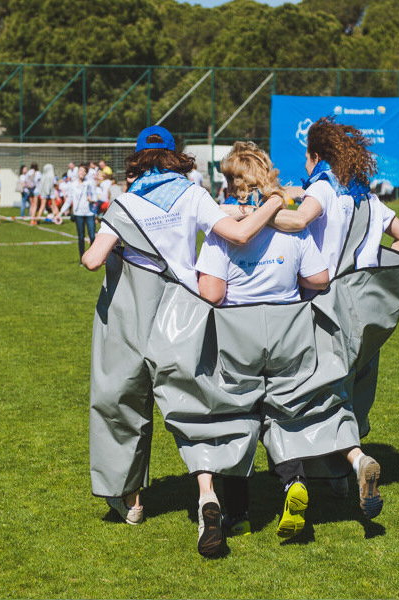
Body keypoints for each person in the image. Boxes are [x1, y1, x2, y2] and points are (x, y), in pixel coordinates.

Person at [81, 126, 284, 552]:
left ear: (137, 159)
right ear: (175, 156)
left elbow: (93, 259)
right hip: (184, 313)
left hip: (130, 318)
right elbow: (238, 234)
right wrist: (274, 203)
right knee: (197, 404)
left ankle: (131, 501)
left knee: (120, 400)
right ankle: (208, 494)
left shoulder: (125, 203)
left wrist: (109, 248)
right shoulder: (193, 195)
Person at [267, 116, 399, 536]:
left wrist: (255, 217)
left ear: (316, 155)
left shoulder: (323, 187)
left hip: (326, 304)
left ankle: (347, 464)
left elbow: (299, 222)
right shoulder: (368, 196)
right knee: (353, 388)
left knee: (311, 392)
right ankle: (339, 477)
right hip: (367, 309)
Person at [196, 141, 330, 540]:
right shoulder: (292, 227)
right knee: (285, 411)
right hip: (289, 327)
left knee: (236, 415)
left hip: (239, 329)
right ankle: (293, 481)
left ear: (233, 183)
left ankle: (237, 511)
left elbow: (212, 293)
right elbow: (319, 279)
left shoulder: (224, 233)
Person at [58, 165, 96, 264]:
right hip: (78, 213)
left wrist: (91, 200)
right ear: (78, 172)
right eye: (80, 171)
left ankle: (90, 257)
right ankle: (82, 259)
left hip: (89, 213)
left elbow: (95, 197)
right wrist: (60, 212)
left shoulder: (89, 183)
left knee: (92, 236)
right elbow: (69, 200)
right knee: (81, 237)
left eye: (84, 171)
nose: (82, 173)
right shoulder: (73, 185)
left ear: (86, 173)